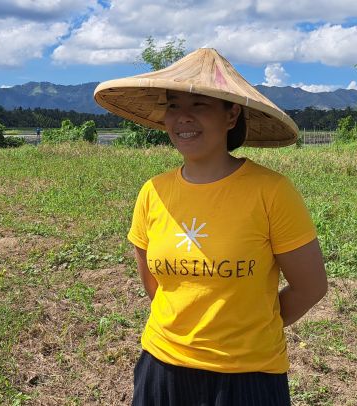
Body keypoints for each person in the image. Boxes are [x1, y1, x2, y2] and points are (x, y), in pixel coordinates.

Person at [94, 48, 327, 405]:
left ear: (231, 114)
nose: (182, 118)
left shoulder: (272, 191)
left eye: (199, 105)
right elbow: (154, 285)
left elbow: (310, 287)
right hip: (162, 367)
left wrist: (248, 331)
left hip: (248, 377)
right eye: (173, 105)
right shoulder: (153, 192)